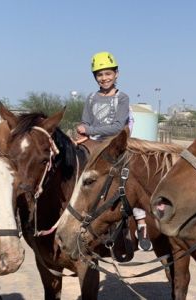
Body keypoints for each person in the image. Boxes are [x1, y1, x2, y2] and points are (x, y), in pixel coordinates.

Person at [76, 51, 151, 251]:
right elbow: (86, 121)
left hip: (117, 146)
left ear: (116, 74)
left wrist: (89, 130)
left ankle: (141, 222)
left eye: (108, 73)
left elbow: (118, 127)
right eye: (99, 75)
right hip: (95, 146)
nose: (104, 78)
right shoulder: (91, 98)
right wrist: (83, 132)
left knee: (130, 180)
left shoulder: (122, 98)